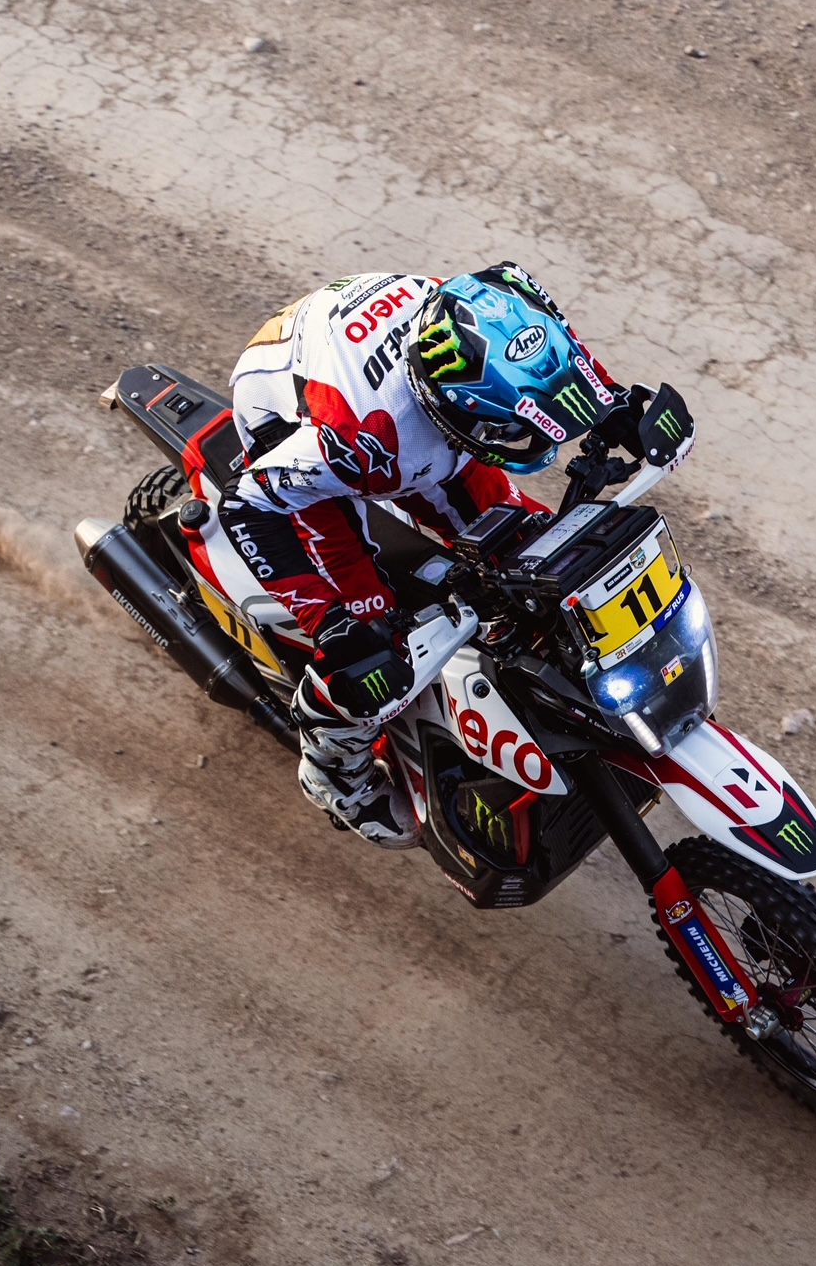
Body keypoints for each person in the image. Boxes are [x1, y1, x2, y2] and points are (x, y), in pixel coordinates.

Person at [225, 263, 695, 847]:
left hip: (380, 378)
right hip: (294, 417)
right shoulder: (361, 444)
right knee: (371, 649)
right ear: (452, 408)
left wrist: (617, 405)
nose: (527, 442)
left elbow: (560, 357)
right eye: (500, 429)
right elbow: (246, 506)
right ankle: (332, 770)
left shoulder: (503, 304)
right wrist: (331, 623)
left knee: (534, 554)